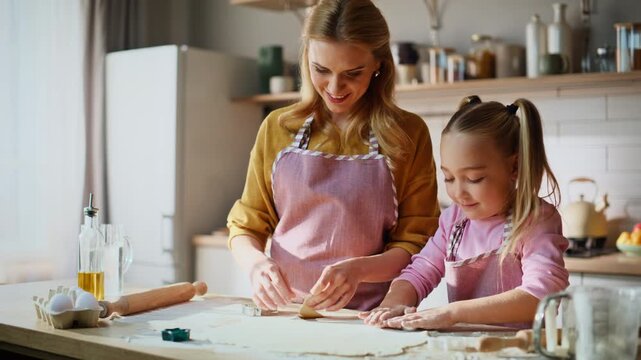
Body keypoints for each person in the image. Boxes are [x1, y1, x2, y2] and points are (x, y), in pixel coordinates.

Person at [226, 0, 440, 312]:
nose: (335, 87)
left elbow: (417, 245)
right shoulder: (278, 127)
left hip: (370, 316)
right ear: (306, 57)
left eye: (353, 73)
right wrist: (256, 265)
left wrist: (360, 270)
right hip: (286, 313)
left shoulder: (407, 133)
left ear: (379, 64)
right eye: (321, 70)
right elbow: (246, 225)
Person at [360, 95, 570, 329]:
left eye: (473, 179)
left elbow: (541, 296)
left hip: (516, 350)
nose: (458, 193)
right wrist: (392, 303)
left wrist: (453, 313)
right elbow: (421, 270)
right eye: (449, 178)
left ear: (514, 167)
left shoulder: (535, 220)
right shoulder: (454, 219)